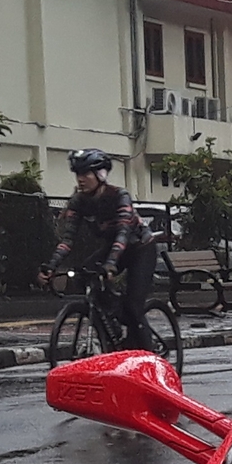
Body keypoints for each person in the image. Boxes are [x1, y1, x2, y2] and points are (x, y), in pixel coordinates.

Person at [51, 149, 156, 351]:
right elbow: (67, 239)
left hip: (139, 247)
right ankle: (113, 325)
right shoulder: (78, 202)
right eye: (77, 175)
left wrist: (110, 264)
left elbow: (123, 233)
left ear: (100, 175)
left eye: (85, 174)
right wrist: (51, 265)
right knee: (84, 273)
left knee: (134, 307)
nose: (80, 180)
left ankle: (150, 354)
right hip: (113, 248)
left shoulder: (119, 196)